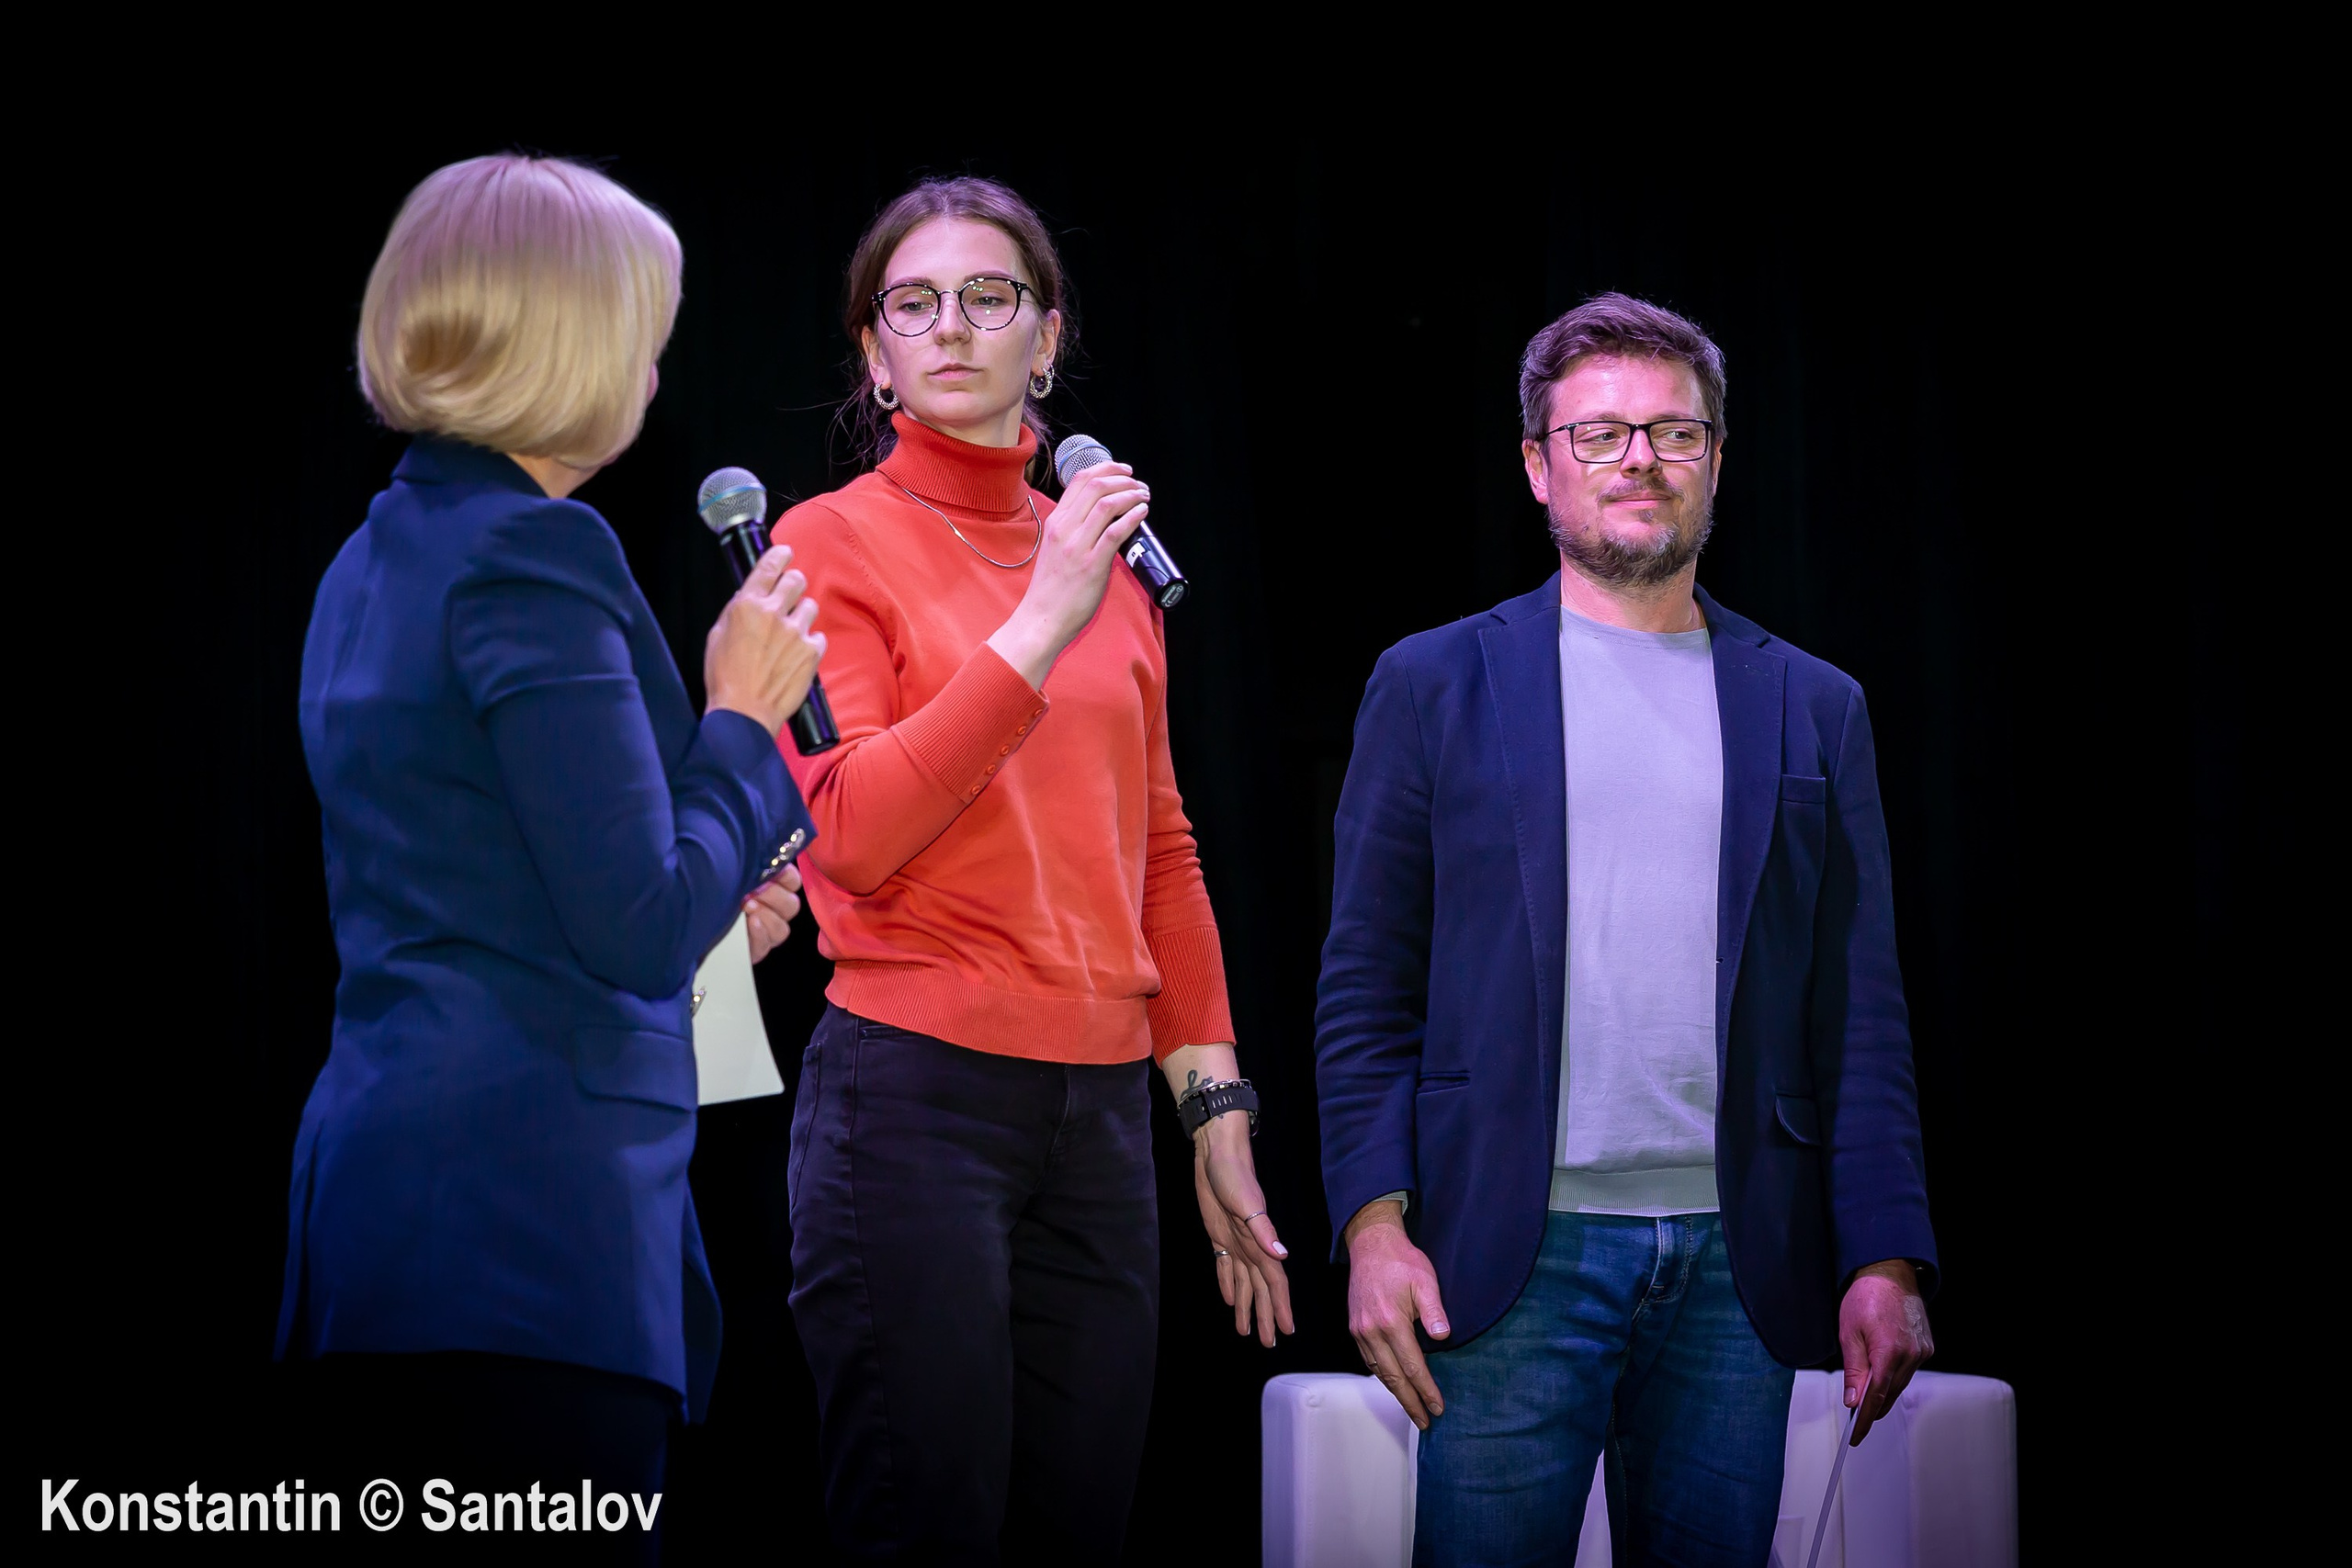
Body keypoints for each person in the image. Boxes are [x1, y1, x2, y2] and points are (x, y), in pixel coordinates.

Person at [1316, 293, 1939, 1566]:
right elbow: (1366, 988)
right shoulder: (1433, 684)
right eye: (1598, 435)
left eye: (1672, 432)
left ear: (1718, 459)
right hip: (1504, 1263)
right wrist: (1371, 1228)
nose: (1639, 459)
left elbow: (1861, 1013)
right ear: (1540, 465)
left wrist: (1889, 1256)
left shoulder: (1816, 707)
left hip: (1740, 1268)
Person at [276, 153, 822, 1559]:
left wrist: (718, 911)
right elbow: (635, 922)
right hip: (521, 1243)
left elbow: (497, 891)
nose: (656, 361)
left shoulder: (377, 554)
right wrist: (745, 726)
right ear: (573, 339)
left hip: (386, 1230)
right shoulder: (536, 555)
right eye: (643, 323)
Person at [773, 175, 1291, 1563]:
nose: (953, 329)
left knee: (1080, 1528)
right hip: (912, 1097)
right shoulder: (824, 543)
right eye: (914, 305)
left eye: (989, 299)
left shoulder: (1112, 565)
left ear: (1046, 339)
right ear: (875, 351)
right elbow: (854, 824)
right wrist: (1042, 615)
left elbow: (1161, 853)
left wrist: (1216, 1110)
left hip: (1106, 1118)